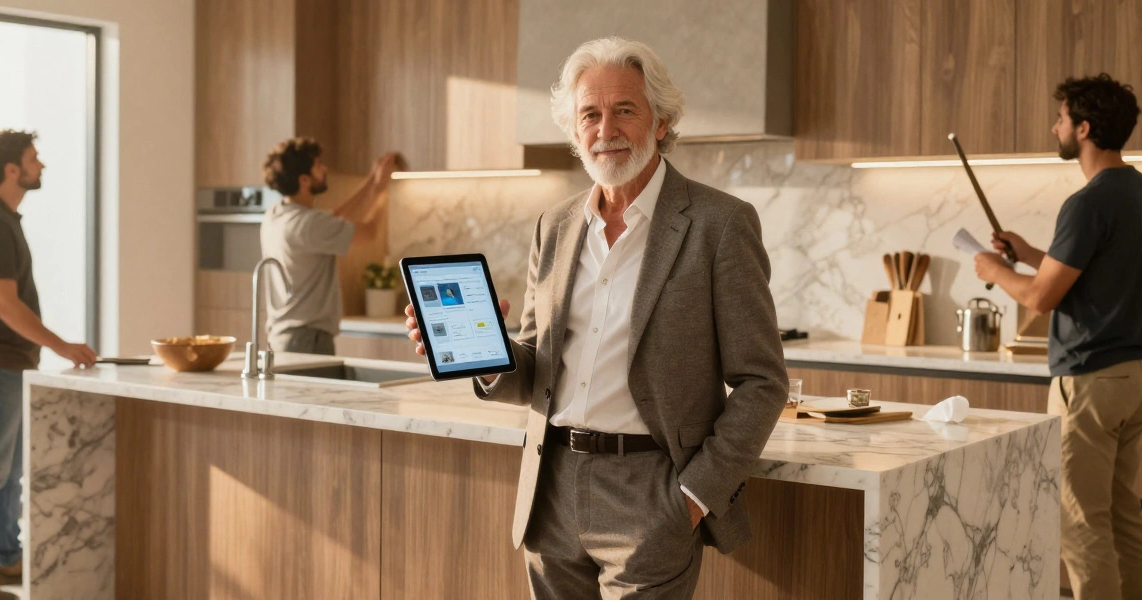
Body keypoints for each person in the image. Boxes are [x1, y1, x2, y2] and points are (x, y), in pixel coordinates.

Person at [405, 38, 787, 598]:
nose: (605, 128)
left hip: (650, 491)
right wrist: (478, 350)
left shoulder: (719, 224)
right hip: (550, 485)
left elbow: (761, 381)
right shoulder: (554, 225)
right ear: (575, 130)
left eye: (624, 109)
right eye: (590, 114)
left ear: (661, 122)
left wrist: (692, 499)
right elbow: (536, 370)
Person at [975, 74, 1142, 600]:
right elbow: (1091, 270)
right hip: (1135, 376)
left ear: (1083, 128)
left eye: (1060, 118)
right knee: (1124, 517)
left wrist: (994, 269)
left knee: (1082, 527)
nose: (1053, 126)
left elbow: (1040, 299)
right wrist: (1028, 252)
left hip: (1090, 382)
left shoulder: (1088, 203)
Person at [0, 130, 97, 600]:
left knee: (7, 471)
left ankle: (9, 560)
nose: (42, 165)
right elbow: (4, 305)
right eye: (34, 159)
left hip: (6, 365)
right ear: (12, 169)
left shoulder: (3, 219)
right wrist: (62, 346)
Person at [260, 138, 396, 354]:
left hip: (283, 337)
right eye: (318, 165)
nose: (324, 169)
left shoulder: (277, 215)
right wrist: (382, 190)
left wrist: (371, 181)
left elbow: (336, 216)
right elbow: (369, 231)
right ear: (304, 180)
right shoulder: (309, 225)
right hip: (307, 340)